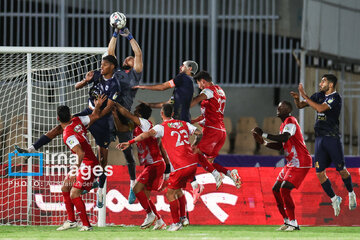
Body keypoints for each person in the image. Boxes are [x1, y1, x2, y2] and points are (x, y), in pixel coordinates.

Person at [118, 104, 203, 231]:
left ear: (161, 113)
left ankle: (173, 222)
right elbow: (199, 133)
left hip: (165, 164)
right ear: (173, 113)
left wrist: (115, 106)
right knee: (176, 191)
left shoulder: (159, 127)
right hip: (188, 162)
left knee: (168, 193)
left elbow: (146, 135)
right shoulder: (184, 124)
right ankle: (174, 219)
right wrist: (193, 146)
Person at [290, 74, 357, 216]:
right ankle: (334, 199)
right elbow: (302, 105)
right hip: (320, 139)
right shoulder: (319, 95)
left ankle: (351, 193)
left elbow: (320, 109)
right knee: (319, 173)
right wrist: (298, 100)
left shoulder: (335, 98)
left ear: (331, 85)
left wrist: (304, 95)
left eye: (323, 81)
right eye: (321, 80)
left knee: (342, 170)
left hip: (332, 139)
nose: (321, 83)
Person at [252, 101, 312, 231]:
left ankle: (293, 223)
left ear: (287, 110)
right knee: (276, 189)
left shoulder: (291, 121)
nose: (278, 108)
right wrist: (264, 143)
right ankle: (287, 221)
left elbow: (285, 138)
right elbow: (281, 145)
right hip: (292, 162)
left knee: (285, 189)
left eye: (281, 107)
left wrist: (263, 134)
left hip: (301, 161)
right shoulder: (284, 125)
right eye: (278, 106)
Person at [114, 102, 169, 230]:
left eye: (135, 113)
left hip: (154, 164)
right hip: (153, 165)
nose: (132, 115)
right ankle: (159, 220)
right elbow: (121, 129)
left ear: (139, 114)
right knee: (146, 196)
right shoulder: (140, 128)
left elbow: (127, 114)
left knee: (136, 189)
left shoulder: (145, 123)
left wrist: (115, 104)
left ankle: (150, 215)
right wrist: (115, 116)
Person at [56, 95, 106, 231]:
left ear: (58, 119)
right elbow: (94, 116)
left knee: (74, 194)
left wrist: (75, 169)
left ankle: (86, 225)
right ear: (70, 115)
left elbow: (81, 153)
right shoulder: (77, 120)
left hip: (88, 164)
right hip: (87, 163)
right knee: (65, 188)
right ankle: (71, 221)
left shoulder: (68, 134)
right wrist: (97, 106)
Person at [191, 71, 241, 195]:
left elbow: (195, 101)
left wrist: (182, 104)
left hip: (212, 130)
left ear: (203, 81)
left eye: (198, 83)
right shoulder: (220, 91)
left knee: (194, 152)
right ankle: (229, 173)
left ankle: (216, 176)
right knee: (209, 162)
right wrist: (194, 120)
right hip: (221, 131)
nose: (199, 87)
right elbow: (208, 114)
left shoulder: (208, 91)